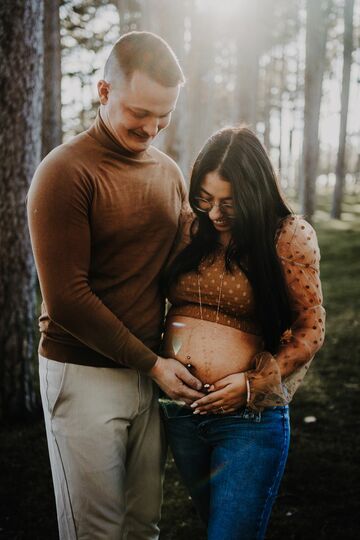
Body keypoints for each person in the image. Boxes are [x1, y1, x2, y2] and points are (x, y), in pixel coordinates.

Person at [27, 31, 204, 540]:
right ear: (104, 92)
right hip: (83, 374)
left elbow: (183, 266)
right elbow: (67, 301)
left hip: (152, 376)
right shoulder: (64, 172)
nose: (151, 128)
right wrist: (153, 365)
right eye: (139, 113)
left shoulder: (168, 174)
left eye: (163, 117)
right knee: (95, 533)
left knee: (142, 527)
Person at [160, 126, 326, 540]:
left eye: (229, 203)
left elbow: (311, 326)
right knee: (216, 524)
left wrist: (253, 384)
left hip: (247, 419)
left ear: (254, 192)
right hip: (183, 414)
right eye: (205, 198)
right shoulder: (188, 229)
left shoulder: (287, 236)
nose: (214, 213)